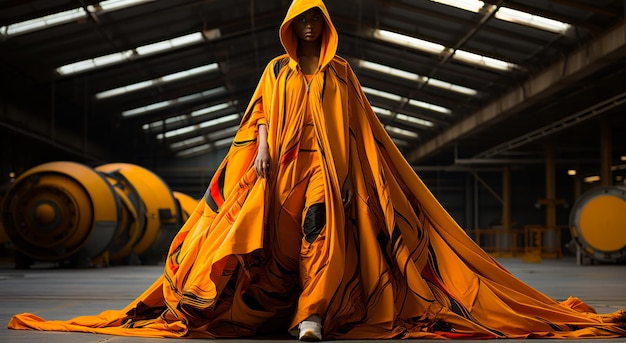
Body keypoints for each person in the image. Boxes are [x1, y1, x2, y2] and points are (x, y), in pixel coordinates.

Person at [8, 0, 626, 341]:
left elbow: (363, 132)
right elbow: (255, 127)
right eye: (300, 23)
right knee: (264, 249)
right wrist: (256, 167)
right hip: (278, 176)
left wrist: (366, 179)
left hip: (329, 179)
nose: (307, 31)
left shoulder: (342, 76)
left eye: (315, 23)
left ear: (324, 29)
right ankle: (276, 311)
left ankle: (313, 316)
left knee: (325, 242)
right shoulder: (274, 75)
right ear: (288, 31)